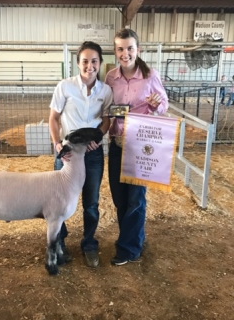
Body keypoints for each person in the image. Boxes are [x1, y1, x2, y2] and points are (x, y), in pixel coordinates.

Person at [105, 28, 169, 266]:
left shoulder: (150, 75)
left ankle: (128, 249)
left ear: (138, 50)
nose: (125, 53)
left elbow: (163, 103)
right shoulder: (110, 77)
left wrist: (155, 105)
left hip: (141, 145)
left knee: (136, 199)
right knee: (119, 197)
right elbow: (105, 106)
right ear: (115, 51)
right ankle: (133, 239)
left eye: (130, 48)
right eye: (120, 49)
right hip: (117, 144)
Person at [49, 41, 113, 268]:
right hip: (67, 153)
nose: (90, 66)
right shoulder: (65, 87)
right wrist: (57, 144)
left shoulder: (106, 91)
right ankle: (59, 244)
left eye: (94, 61)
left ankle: (89, 245)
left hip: (92, 154)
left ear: (100, 64)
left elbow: (106, 121)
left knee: (91, 202)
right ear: (78, 63)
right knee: (60, 200)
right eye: (85, 61)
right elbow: (54, 119)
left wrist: (99, 138)